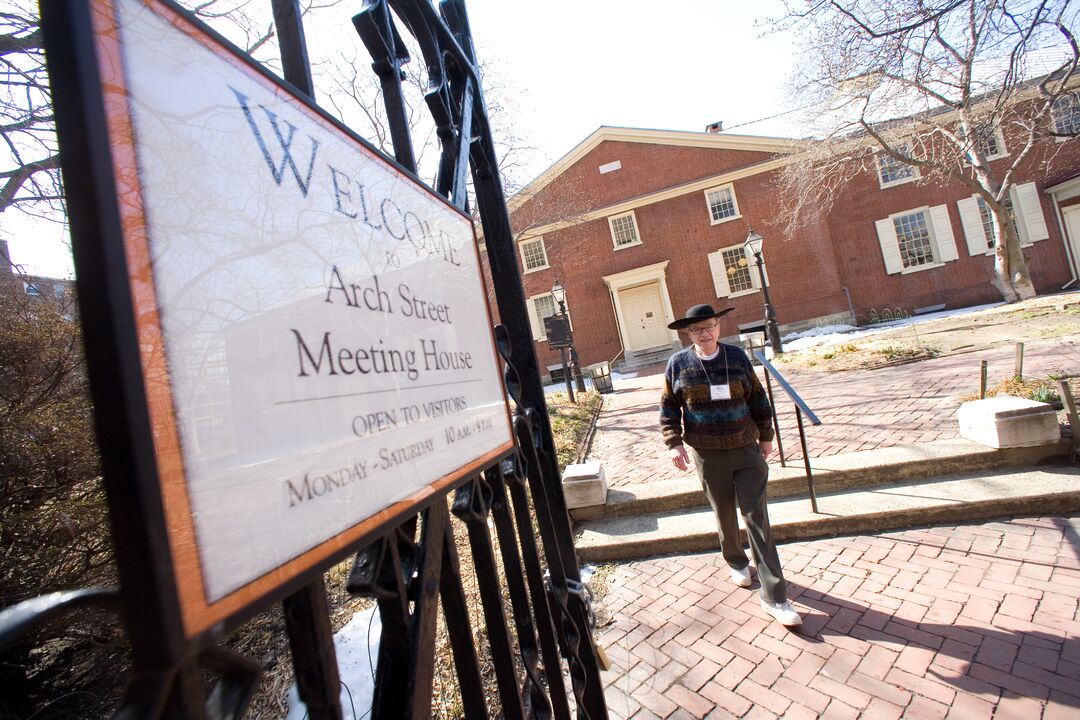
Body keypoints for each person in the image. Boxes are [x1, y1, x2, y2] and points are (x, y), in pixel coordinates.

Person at [659, 303, 802, 627]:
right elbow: (668, 408)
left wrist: (766, 437)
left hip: (745, 450)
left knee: (757, 517)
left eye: (709, 327)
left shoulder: (736, 358)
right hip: (707, 455)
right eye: (697, 330)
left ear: (718, 327)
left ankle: (775, 597)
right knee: (723, 512)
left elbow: (758, 399)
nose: (705, 334)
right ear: (688, 333)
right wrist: (673, 444)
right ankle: (736, 561)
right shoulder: (678, 364)